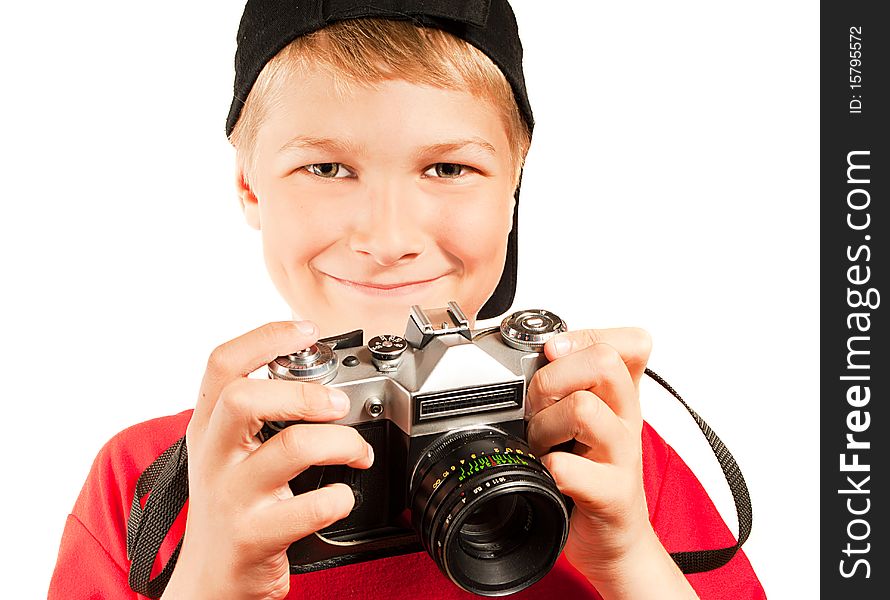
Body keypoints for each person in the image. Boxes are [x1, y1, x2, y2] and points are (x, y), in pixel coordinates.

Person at [48, 1, 766, 598]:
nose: (388, 238)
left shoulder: (598, 444)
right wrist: (207, 579)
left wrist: (630, 559)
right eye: (326, 167)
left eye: (449, 166)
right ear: (248, 186)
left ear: (513, 192)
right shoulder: (151, 482)